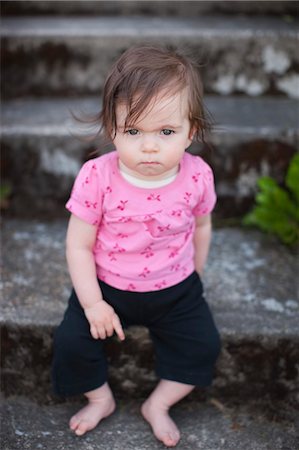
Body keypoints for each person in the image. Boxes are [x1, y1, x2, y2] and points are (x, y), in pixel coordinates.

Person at [52, 45, 221, 448]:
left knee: (204, 345)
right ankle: (101, 398)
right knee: (71, 342)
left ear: (190, 131)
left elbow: (202, 226)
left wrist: (194, 274)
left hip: (175, 288)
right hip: (108, 286)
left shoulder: (197, 176)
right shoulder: (98, 176)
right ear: (112, 129)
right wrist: (93, 303)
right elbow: (78, 245)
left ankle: (158, 404)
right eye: (133, 131)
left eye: (166, 132)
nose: (149, 146)